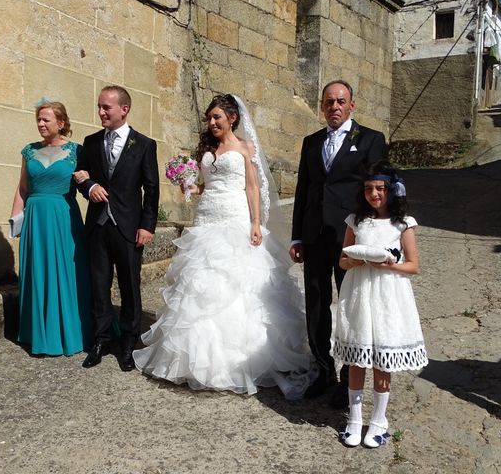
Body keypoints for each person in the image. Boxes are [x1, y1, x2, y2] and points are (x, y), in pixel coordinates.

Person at [133, 94, 316, 397]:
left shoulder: (246, 148)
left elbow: (252, 187)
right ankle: (195, 361)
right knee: (201, 283)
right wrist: (191, 185)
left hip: (235, 218)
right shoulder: (207, 149)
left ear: (232, 118)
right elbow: (206, 185)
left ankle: (238, 361)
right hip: (207, 218)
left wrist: (256, 222)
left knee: (238, 284)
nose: (212, 122)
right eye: (209, 118)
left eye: (217, 117)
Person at [290, 80, 387, 405]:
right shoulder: (311, 142)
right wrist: (297, 235)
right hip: (315, 235)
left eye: (340, 101)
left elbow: (380, 189)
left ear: (351, 105)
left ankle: (350, 378)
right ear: (322, 106)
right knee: (317, 303)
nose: (334, 107)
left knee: (351, 305)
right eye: (329, 102)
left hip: (352, 237)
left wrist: (381, 233)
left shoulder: (371, 140)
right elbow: (303, 190)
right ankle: (323, 370)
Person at [334, 160, 428, 447]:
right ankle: (353, 419)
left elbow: (413, 266)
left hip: (388, 294)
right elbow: (342, 260)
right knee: (357, 358)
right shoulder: (356, 221)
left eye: (379, 188)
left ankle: (378, 420)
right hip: (359, 293)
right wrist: (359, 260)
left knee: (381, 358)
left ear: (391, 190)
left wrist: (388, 265)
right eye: (368, 189)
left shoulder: (402, 224)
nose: (373, 194)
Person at [74, 85, 159, 372]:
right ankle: (100, 340)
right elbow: (80, 176)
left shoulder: (144, 144)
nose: (100, 112)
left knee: (129, 287)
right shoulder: (91, 141)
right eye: (99, 106)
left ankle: (128, 344)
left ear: (124, 109)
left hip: (129, 227)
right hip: (98, 226)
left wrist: (148, 225)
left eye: (106, 107)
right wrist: (90, 186)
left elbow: (152, 188)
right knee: (99, 285)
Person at [10, 101, 89, 356]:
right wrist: (16, 218)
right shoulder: (28, 151)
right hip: (35, 218)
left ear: (61, 123)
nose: (41, 124)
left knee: (67, 270)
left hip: (63, 217)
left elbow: (88, 184)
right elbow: (22, 188)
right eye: (39, 120)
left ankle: (69, 332)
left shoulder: (77, 151)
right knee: (38, 271)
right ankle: (39, 334)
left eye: (46, 120)